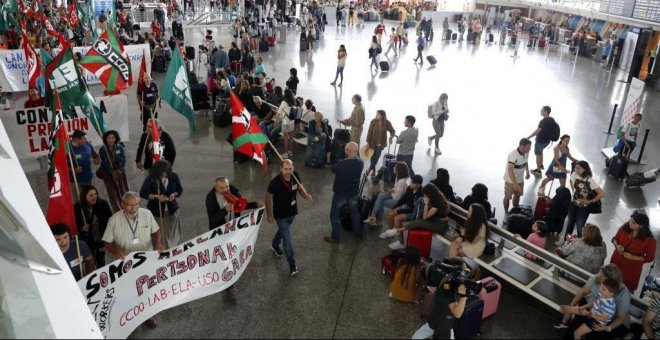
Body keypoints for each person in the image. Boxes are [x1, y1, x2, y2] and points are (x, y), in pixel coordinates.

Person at [103, 191, 163, 329]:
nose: (133, 208)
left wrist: (158, 242)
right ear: (123, 204)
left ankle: (147, 315)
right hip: (126, 264)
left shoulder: (146, 214)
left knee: (146, 289)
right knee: (130, 291)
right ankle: (131, 317)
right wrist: (116, 252)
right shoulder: (114, 220)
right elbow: (107, 242)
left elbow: (156, 231)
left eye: (136, 205)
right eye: (130, 205)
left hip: (146, 261)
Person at [555, 264, 631, 338]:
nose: (598, 276)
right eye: (599, 272)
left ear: (610, 282)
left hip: (611, 320)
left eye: (601, 275)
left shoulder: (622, 296)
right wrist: (571, 308)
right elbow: (583, 293)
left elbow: (620, 317)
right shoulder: (598, 282)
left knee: (594, 332)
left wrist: (607, 328)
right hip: (596, 310)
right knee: (577, 322)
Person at [266, 160, 313, 276]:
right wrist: (270, 215)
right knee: (287, 239)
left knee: (283, 230)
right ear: (281, 169)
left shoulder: (295, 176)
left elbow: (299, 189)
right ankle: (292, 265)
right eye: (285, 169)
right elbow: (268, 199)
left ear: (293, 168)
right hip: (280, 215)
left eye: (290, 169)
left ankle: (274, 244)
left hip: (292, 212)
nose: (288, 172)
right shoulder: (274, 182)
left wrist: (305, 196)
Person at [388, 183, 450, 250]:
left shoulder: (436, 204)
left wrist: (426, 204)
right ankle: (403, 228)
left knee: (419, 222)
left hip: (439, 225)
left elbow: (425, 217)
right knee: (420, 200)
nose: (424, 195)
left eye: (425, 194)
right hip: (435, 219)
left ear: (430, 194)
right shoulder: (437, 198)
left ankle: (397, 230)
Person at [419, 257, 469, 339]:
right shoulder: (448, 288)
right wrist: (464, 297)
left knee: (419, 335)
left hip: (435, 318)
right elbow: (457, 314)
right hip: (442, 325)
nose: (466, 275)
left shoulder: (447, 278)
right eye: (464, 272)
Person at [325, 142, 364, 243]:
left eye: (346, 150)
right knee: (354, 213)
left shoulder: (342, 164)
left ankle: (336, 237)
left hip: (340, 193)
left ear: (348, 151)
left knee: (334, 214)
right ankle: (358, 233)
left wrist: (341, 160)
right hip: (353, 193)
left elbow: (333, 169)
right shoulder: (360, 162)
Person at [139, 160, 183, 248]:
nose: (164, 176)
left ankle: (173, 247)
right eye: (161, 174)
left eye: (166, 174)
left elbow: (179, 190)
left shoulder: (173, 176)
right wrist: (156, 197)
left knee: (172, 234)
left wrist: (174, 195)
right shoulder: (151, 178)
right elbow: (143, 193)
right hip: (158, 212)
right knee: (163, 236)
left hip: (172, 210)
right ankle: (166, 250)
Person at [610, 211, 656, 292]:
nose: (630, 223)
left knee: (625, 290)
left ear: (641, 226)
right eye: (630, 220)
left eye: (633, 223)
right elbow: (614, 239)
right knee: (610, 284)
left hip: (631, 269)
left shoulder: (650, 240)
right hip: (616, 262)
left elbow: (650, 258)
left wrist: (633, 257)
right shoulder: (624, 228)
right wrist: (617, 245)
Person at [74, 185, 113, 268]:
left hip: (100, 238)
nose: (94, 197)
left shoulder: (102, 204)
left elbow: (111, 219)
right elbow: (73, 225)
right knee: (90, 260)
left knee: (101, 259)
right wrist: (81, 228)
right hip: (87, 240)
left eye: (95, 194)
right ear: (84, 197)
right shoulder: (77, 208)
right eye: (91, 195)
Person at [564, 161, 605, 239]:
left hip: (584, 207)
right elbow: (570, 181)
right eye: (575, 167)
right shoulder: (573, 174)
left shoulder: (589, 180)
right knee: (569, 225)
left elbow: (601, 193)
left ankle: (580, 244)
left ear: (585, 169)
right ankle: (566, 242)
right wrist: (573, 191)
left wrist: (590, 201)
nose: (576, 169)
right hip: (573, 203)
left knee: (580, 227)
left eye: (579, 168)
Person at [368, 162, 410, 227]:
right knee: (381, 195)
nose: (393, 168)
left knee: (380, 201)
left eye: (395, 167)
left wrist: (390, 192)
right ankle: (374, 217)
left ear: (399, 170)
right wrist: (391, 190)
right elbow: (396, 188)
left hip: (398, 202)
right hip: (395, 196)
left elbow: (397, 198)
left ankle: (375, 218)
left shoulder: (402, 182)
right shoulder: (399, 177)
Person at [97, 130, 129, 212]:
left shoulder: (119, 147)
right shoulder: (103, 149)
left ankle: (126, 207)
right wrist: (112, 172)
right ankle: (117, 210)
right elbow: (104, 162)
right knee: (112, 192)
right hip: (108, 173)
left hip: (120, 172)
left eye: (112, 138)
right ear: (105, 139)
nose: (110, 140)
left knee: (123, 189)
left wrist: (119, 170)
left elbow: (123, 159)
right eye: (109, 138)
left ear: (116, 139)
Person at [503, 138, 531, 213]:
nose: (529, 149)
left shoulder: (526, 153)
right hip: (510, 181)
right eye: (528, 147)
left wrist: (527, 172)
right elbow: (510, 170)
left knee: (517, 196)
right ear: (522, 146)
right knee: (507, 197)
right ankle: (506, 212)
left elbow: (526, 162)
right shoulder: (513, 155)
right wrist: (515, 183)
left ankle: (515, 210)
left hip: (520, 179)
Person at [528, 106, 558, 175]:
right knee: (540, 153)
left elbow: (537, 131)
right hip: (547, 141)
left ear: (546, 112)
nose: (540, 111)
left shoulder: (543, 121)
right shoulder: (551, 119)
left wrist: (529, 137)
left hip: (540, 141)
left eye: (542, 110)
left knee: (538, 154)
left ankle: (538, 171)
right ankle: (540, 165)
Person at [365, 110, 395, 175]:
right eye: (376, 114)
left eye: (378, 114)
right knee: (372, 157)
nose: (376, 115)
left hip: (380, 144)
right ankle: (374, 170)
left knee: (376, 157)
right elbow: (369, 132)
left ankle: (370, 169)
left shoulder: (387, 123)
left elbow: (392, 131)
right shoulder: (373, 121)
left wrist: (391, 137)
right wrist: (368, 142)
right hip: (372, 142)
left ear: (382, 116)